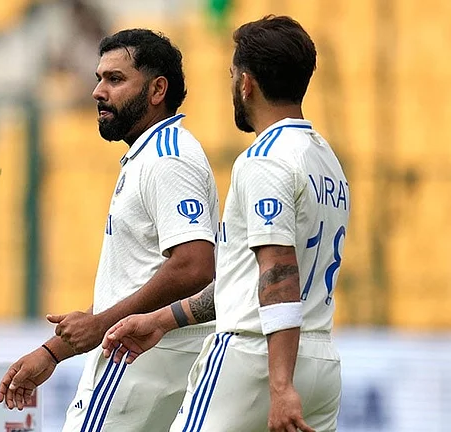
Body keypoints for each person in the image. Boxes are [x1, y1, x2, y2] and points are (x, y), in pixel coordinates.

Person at [101, 15, 350, 432]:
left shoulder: (264, 159)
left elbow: (278, 272)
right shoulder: (327, 161)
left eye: (233, 74)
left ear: (246, 83)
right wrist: (161, 320)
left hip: (256, 357)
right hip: (320, 359)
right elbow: (246, 279)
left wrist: (280, 383)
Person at [0, 29, 220, 431]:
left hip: (139, 362)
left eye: (114, 80)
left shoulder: (167, 159)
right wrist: (51, 353)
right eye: (99, 78)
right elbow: (132, 285)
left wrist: (101, 325)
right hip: (146, 363)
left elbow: (195, 266)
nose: (98, 91)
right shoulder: (148, 156)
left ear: (157, 90)